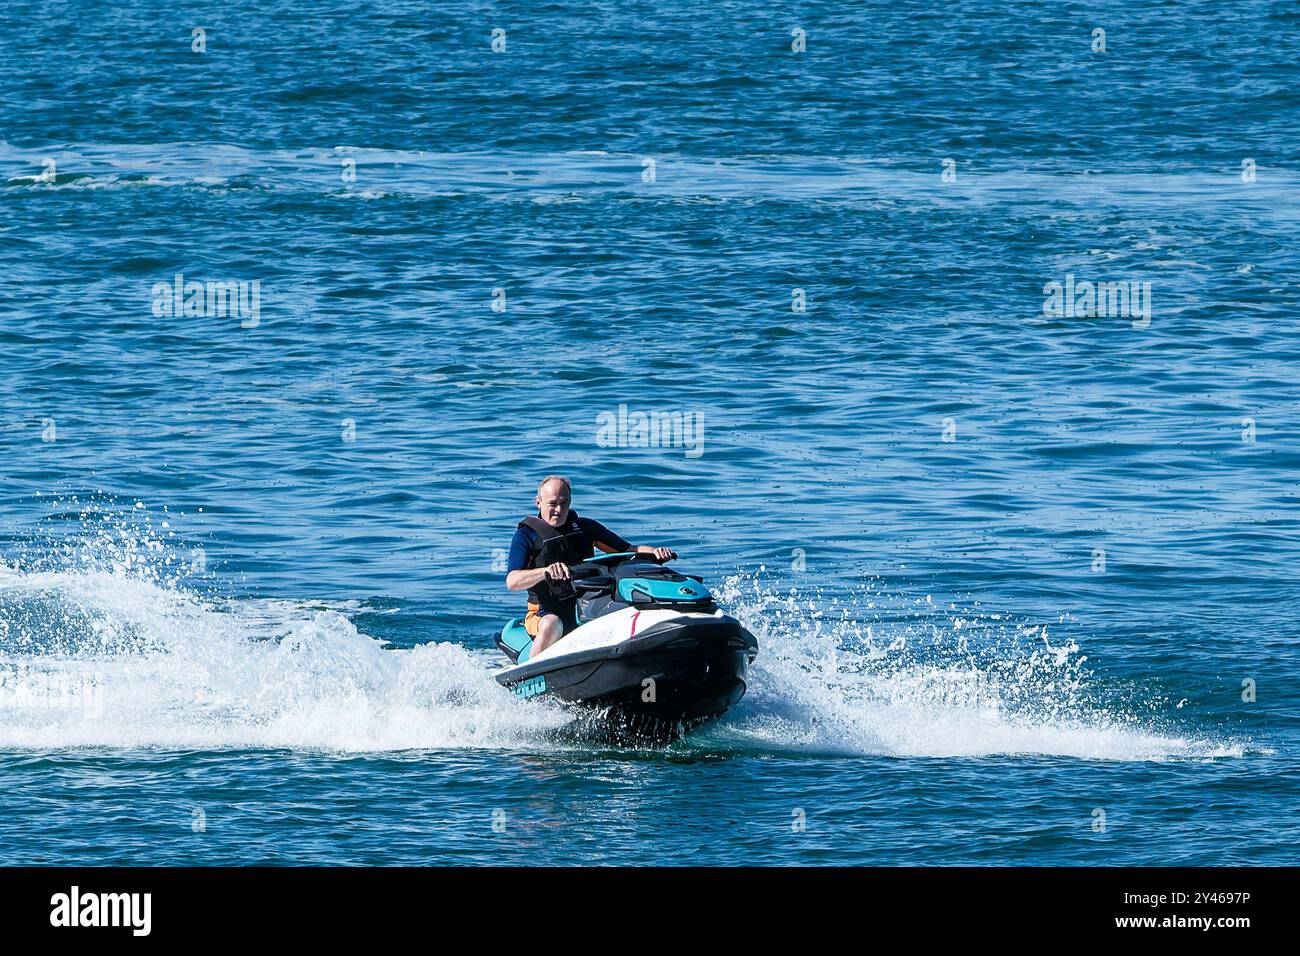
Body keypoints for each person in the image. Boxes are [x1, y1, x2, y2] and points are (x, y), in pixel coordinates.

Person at [505, 475, 674, 655]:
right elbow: (512, 581)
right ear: (538, 502)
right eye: (552, 504)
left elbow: (628, 549)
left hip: (587, 606)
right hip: (543, 612)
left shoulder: (585, 527)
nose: (558, 510)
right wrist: (546, 572)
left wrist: (654, 553)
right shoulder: (527, 535)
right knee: (552, 624)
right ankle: (531, 674)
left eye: (564, 503)